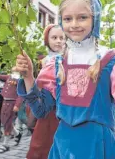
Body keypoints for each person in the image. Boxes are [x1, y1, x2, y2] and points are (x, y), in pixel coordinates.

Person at [14, 0, 115, 159]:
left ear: (95, 19)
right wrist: (28, 77)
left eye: (82, 17)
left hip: (98, 148)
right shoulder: (56, 65)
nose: (74, 24)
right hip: (63, 148)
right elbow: (41, 110)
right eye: (68, 18)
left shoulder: (111, 62)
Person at [26, 24, 66, 159]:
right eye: (54, 37)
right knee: (41, 144)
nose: (58, 41)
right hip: (44, 105)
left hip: (58, 108)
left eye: (62, 37)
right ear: (47, 40)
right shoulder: (45, 60)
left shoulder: (67, 58)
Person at [0, 68, 23, 153]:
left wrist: (17, 105)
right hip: (5, 101)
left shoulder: (20, 80)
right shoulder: (8, 77)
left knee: (7, 123)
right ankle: (17, 134)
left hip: (12, 103)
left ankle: (5, 144)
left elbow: (21, 94)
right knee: (4, 120)